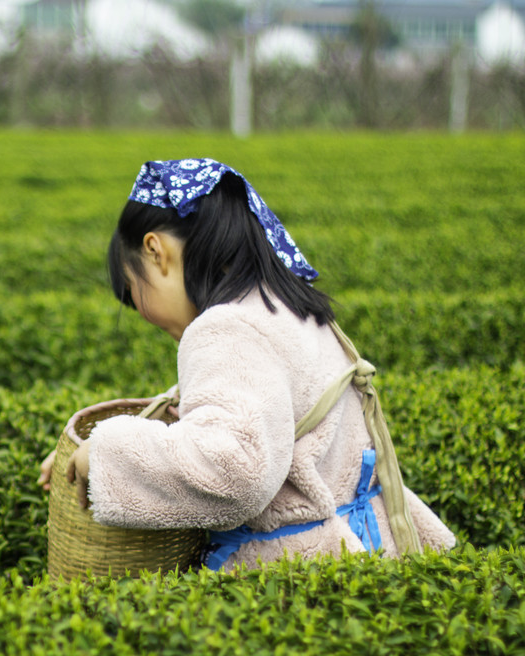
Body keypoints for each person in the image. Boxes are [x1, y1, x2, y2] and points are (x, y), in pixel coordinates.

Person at [38, 158, 455, 571]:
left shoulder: (227, 329)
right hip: (361, 545)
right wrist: (89, 455)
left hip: (294, 571)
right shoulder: (287, 306)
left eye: (133, 291)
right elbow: (248, 413)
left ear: (155, 251)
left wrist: (108, 456)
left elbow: (235, 473)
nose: (143, 313)